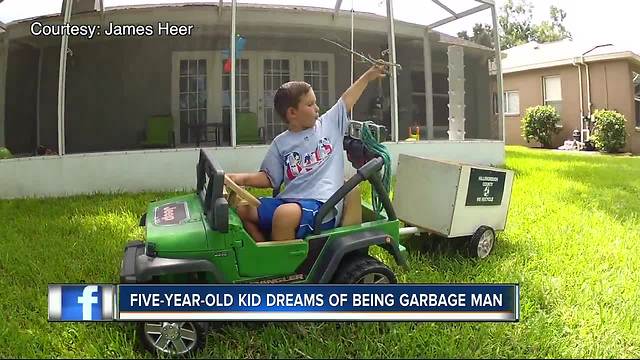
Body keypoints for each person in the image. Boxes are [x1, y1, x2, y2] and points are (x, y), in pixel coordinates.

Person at [227, 63, 387, 242]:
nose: (317, 108)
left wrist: (367, 76)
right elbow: (269, 178)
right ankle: (266, 251)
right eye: (310, 104)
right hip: (290, 201)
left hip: (322, 205)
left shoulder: (329, 124)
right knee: (242, 210)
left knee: (283, 216)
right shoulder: (281, 143)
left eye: (315, 103)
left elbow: (347, 98)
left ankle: (286, 268)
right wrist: (239, 178)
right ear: (292, 113)